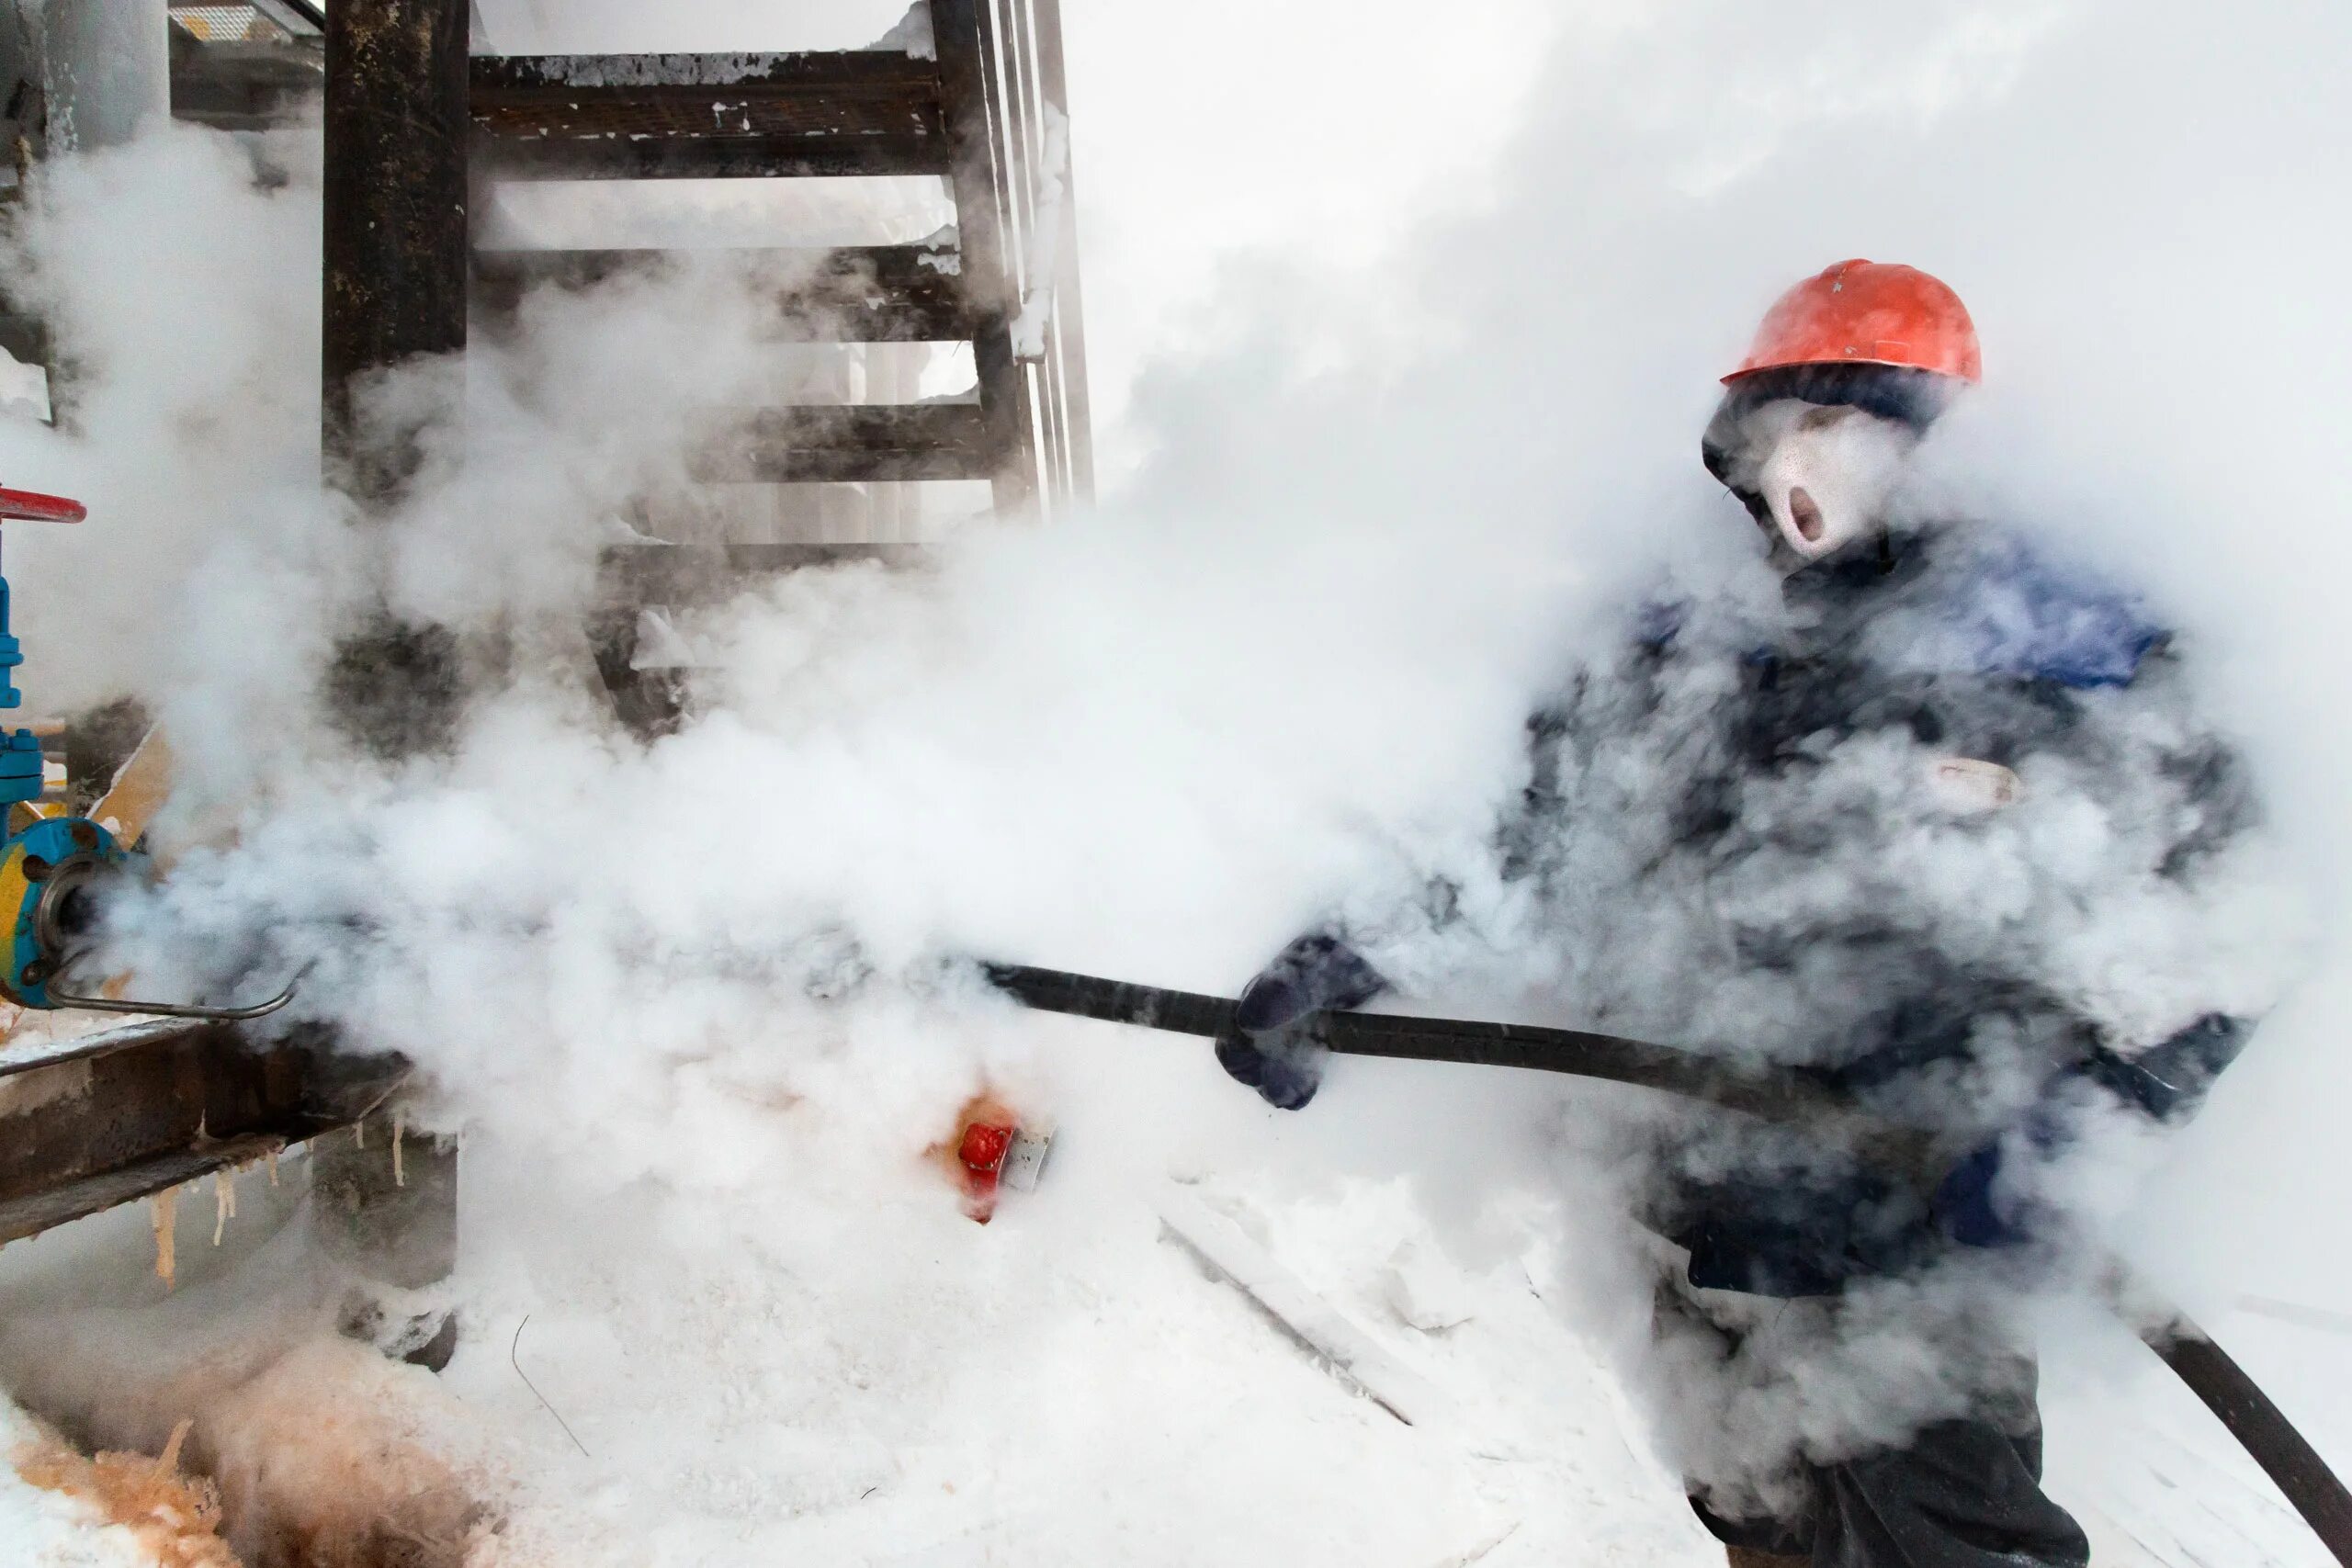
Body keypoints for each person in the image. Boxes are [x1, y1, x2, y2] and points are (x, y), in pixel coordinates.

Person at [1217, 260, 2271, 1568]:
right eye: (1781, 427)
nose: (1802, 466)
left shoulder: (2073, 644)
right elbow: (1534, 826)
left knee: (1952, 1549)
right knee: (1756, 1522)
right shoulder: (1688, 635)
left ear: (1941, 438)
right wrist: (1354, 946)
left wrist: (2087, 1125)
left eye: (1846, 423)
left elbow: (2238, 915)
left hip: (1911, 1232)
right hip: (1695, 1208)